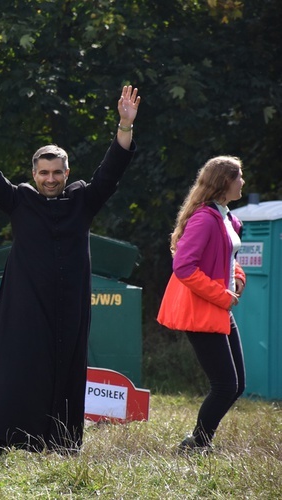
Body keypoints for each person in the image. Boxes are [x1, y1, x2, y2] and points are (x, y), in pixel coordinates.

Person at [0, 86, 140, 454]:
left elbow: (111, 171)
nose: (50, 179)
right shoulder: (20, 200)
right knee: (13, 367)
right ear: (34, 174)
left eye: (57, 172)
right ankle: (1, 438)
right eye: (44, 172)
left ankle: (62, 442)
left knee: (65, 369)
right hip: (24, 301)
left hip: (69, 305)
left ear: (67, 172)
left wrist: (125, 126)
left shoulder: (84, 200)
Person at [157, 156, 246, 453]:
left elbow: (229, 259)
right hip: (203, 311)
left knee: (237, 385)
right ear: (224, 182)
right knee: (225, 386)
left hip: (219, 309)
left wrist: (238, 278)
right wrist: (222, 295)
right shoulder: (204, 218)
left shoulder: (228, 217)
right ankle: (196, 444)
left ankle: (196, 441)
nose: (243, 182)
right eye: (239, 177)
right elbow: (183, 267)